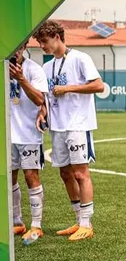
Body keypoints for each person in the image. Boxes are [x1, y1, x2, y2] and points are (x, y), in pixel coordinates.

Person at [34, 20, 104, 241]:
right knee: (65, 174)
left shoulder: (81, 58)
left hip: (78, 125)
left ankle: (87, 223)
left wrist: (68, 88)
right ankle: (78, 220)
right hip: (58, 127)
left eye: (44, 41)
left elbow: (98, 86)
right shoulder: (46, 67)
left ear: (57, 37)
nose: (42, 46)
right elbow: (46, 97)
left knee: (81, 173)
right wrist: (42, 113)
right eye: (39, 42)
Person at [8, 45, 49, 245]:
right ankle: (17, 222)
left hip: (29, 134)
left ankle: (36, 225)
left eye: (19, 46)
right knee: (9, 178)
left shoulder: (34, 70)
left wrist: (21, 79)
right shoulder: (2, 68)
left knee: (31, 176)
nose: (15, 51)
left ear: (24, 47)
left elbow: (40, 100)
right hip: (7, 135)